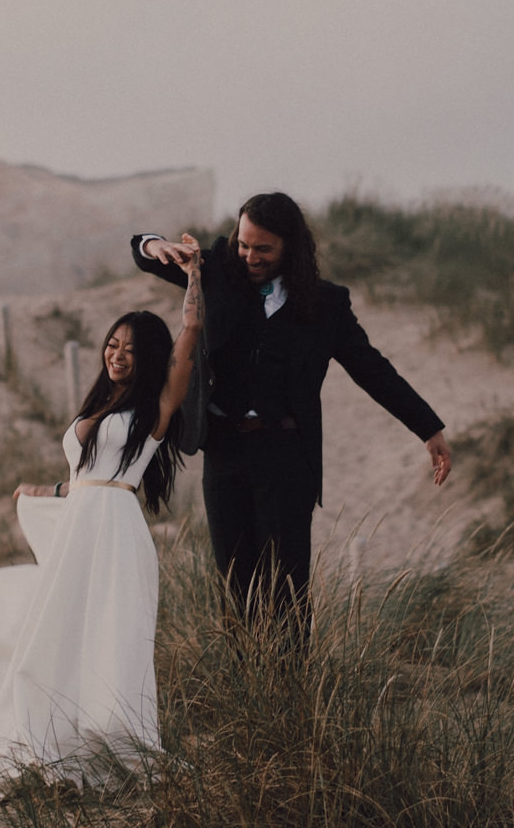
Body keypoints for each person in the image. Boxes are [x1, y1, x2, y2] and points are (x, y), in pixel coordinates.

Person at [0, 250, 203, 800]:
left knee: (109, 635)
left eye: (130, 348)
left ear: (149, 357)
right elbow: (84, 476)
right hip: (78, 529)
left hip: (116, 535)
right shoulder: (101, 405)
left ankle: (111, 739)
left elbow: (191, 330)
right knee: (52, 634)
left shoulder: (154, 407)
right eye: (112, 343)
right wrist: (45, 490)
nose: (117, 353)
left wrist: (196, 273)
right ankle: (45, 737)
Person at [132, 193, 451, 639]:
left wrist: (428, 428)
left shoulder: (326, 304)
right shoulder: (214, 273)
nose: (250, 256)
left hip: (287, 457)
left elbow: (373, 370)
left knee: (287, 591)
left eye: (263, 248)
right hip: (223, 452)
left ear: (290, 247)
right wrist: (154, 246)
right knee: (235, 586)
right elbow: (143, 253)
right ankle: (246, 691)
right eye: (244, 244)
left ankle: (290, 692)